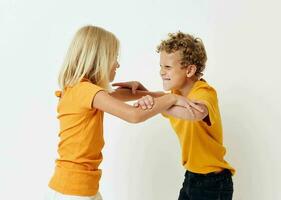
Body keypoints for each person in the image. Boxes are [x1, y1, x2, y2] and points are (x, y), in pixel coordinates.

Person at [46, 26, 203, 200]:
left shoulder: (78, 89)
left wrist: (150, 93)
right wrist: (171, 100)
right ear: (99, 59)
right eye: (114, 58)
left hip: (75, 187)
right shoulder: (87, 91)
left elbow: (119, 95)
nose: (118, 64)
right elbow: (133, 115)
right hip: (74, 191)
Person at [114, 31, 235, 200]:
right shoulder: (175, 93)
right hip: (192, 177)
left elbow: (195, 112)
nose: (162, 72)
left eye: (168, 67)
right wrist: (139, 90)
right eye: (161, 67)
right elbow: (164, 99)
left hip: (213, 183)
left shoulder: (204, 92)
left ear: (190, 70)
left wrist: (159, 104)